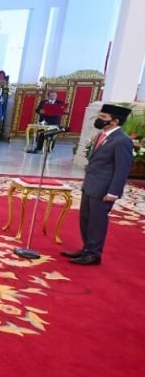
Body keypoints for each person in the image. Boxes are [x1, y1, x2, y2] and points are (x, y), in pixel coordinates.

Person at [62, 104, 133, 266]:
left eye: (104, 117)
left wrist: (114, 192)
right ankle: (86, 248)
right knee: (85, 219)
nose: (99, 119)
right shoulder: (103, 135)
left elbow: (122, 169)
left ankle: (93, 254)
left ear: (115, 121)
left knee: (97, 222)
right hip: (91, 185)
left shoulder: (122, 140)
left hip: (104, 189)